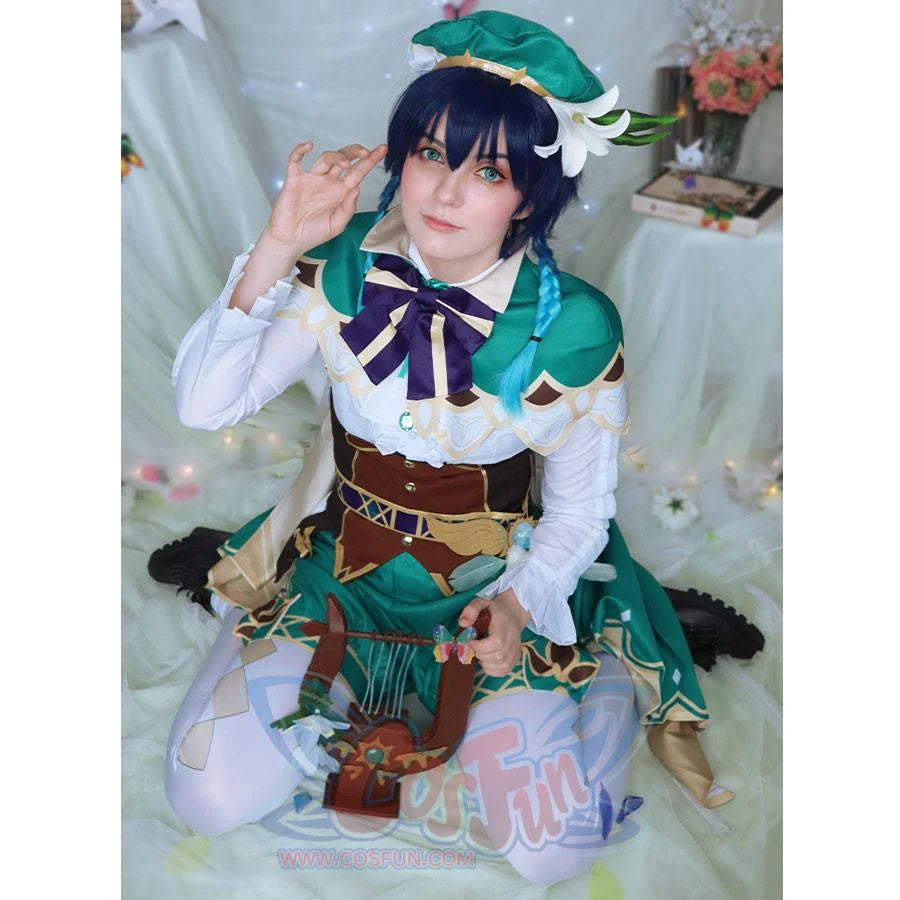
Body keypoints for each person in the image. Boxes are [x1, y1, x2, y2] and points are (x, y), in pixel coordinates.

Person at [159, 11, 759, 884]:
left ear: (530, 196)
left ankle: (603, 671)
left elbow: (582, 510)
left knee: (551, 851)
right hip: (346, 575)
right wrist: (278, 244)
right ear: (402, 159)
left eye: (488, 171)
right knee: (204, 799)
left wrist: (519, 606)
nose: (444, 193)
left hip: (487, 597)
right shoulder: (343, 264)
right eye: (431, 155)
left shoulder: (576, 328)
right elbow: (205, 404)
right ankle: (278, 650)